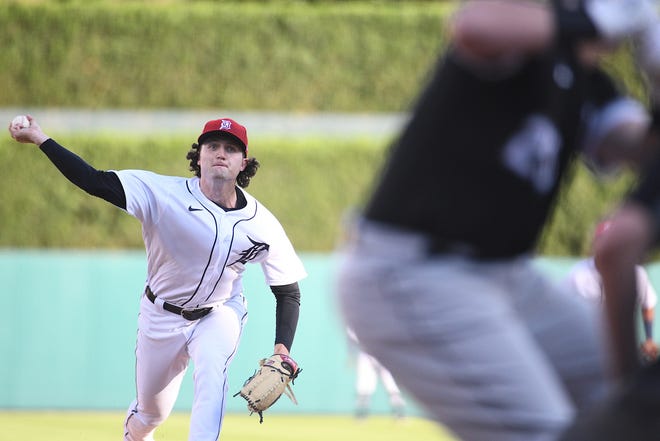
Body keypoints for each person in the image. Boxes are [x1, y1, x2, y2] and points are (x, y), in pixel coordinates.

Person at [335, 1, 660, 440]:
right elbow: (476, 24)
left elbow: (640, 147)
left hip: (506, 277)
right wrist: (595, 19)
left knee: (646, 405)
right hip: (414, 273)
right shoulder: (522, 47)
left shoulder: (585, 80)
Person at [7, 115, 307, 441]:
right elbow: (95, 181)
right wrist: (40, 138)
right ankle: (135, 432)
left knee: (212, 374)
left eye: (231, 149)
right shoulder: (162, 193)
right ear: (199, 155)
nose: (221, 153)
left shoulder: (262, 224)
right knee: (152, 413)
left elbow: (288, 291)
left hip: (219, 312)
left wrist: (282, 348)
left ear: (242, 163)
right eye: (213, 146)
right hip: (161, 315)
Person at [564, 221, 659, 363]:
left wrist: (649, 338)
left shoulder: (637, 274)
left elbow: (648, 303)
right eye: (603, 241)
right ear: (595, 244)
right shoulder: (578, 273)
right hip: (584, 342)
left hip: (620, 345)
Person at [346, 328, 406, 420]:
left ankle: (399, 414)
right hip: (367, 356)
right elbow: (352, 338)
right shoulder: (359, 321)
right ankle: (361, 414)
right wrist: (352, 354)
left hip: (384, 355)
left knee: (392, 386)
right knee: (365, 386)